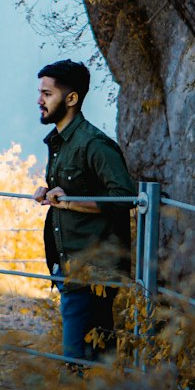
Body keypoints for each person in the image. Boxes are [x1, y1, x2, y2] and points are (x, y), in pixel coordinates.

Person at [34, 59, 136, 363]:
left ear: (72, 98)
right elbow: (72, 189)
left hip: (91, 270)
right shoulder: (61, 141)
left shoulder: (94, 144)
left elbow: (125, 196)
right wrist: (50, 193)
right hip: (71, 266)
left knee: (78, 362)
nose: (39, 100)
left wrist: (68, 200)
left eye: (47, 94)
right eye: (39, 93)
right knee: (96, 360)